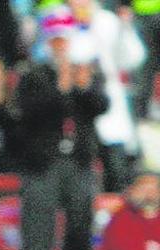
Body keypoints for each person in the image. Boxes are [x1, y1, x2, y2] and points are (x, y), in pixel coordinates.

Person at [13, 6, 109, 250]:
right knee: (38, 233)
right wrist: (60, 89)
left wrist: (83, 88)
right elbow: (28, 113)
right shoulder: (33, 74)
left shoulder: (86, 70)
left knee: (80, 227)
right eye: (55, 40)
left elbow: (101, 106)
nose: (60, 46)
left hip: (78, 160)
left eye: (64, 39)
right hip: (43, 163)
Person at [69, 0, 146, 193]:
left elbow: (133, 58)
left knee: (116, 167)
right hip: (75, 104)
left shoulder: (108, 21)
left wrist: (125, 28)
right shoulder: (60, 19)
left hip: (109, 101)